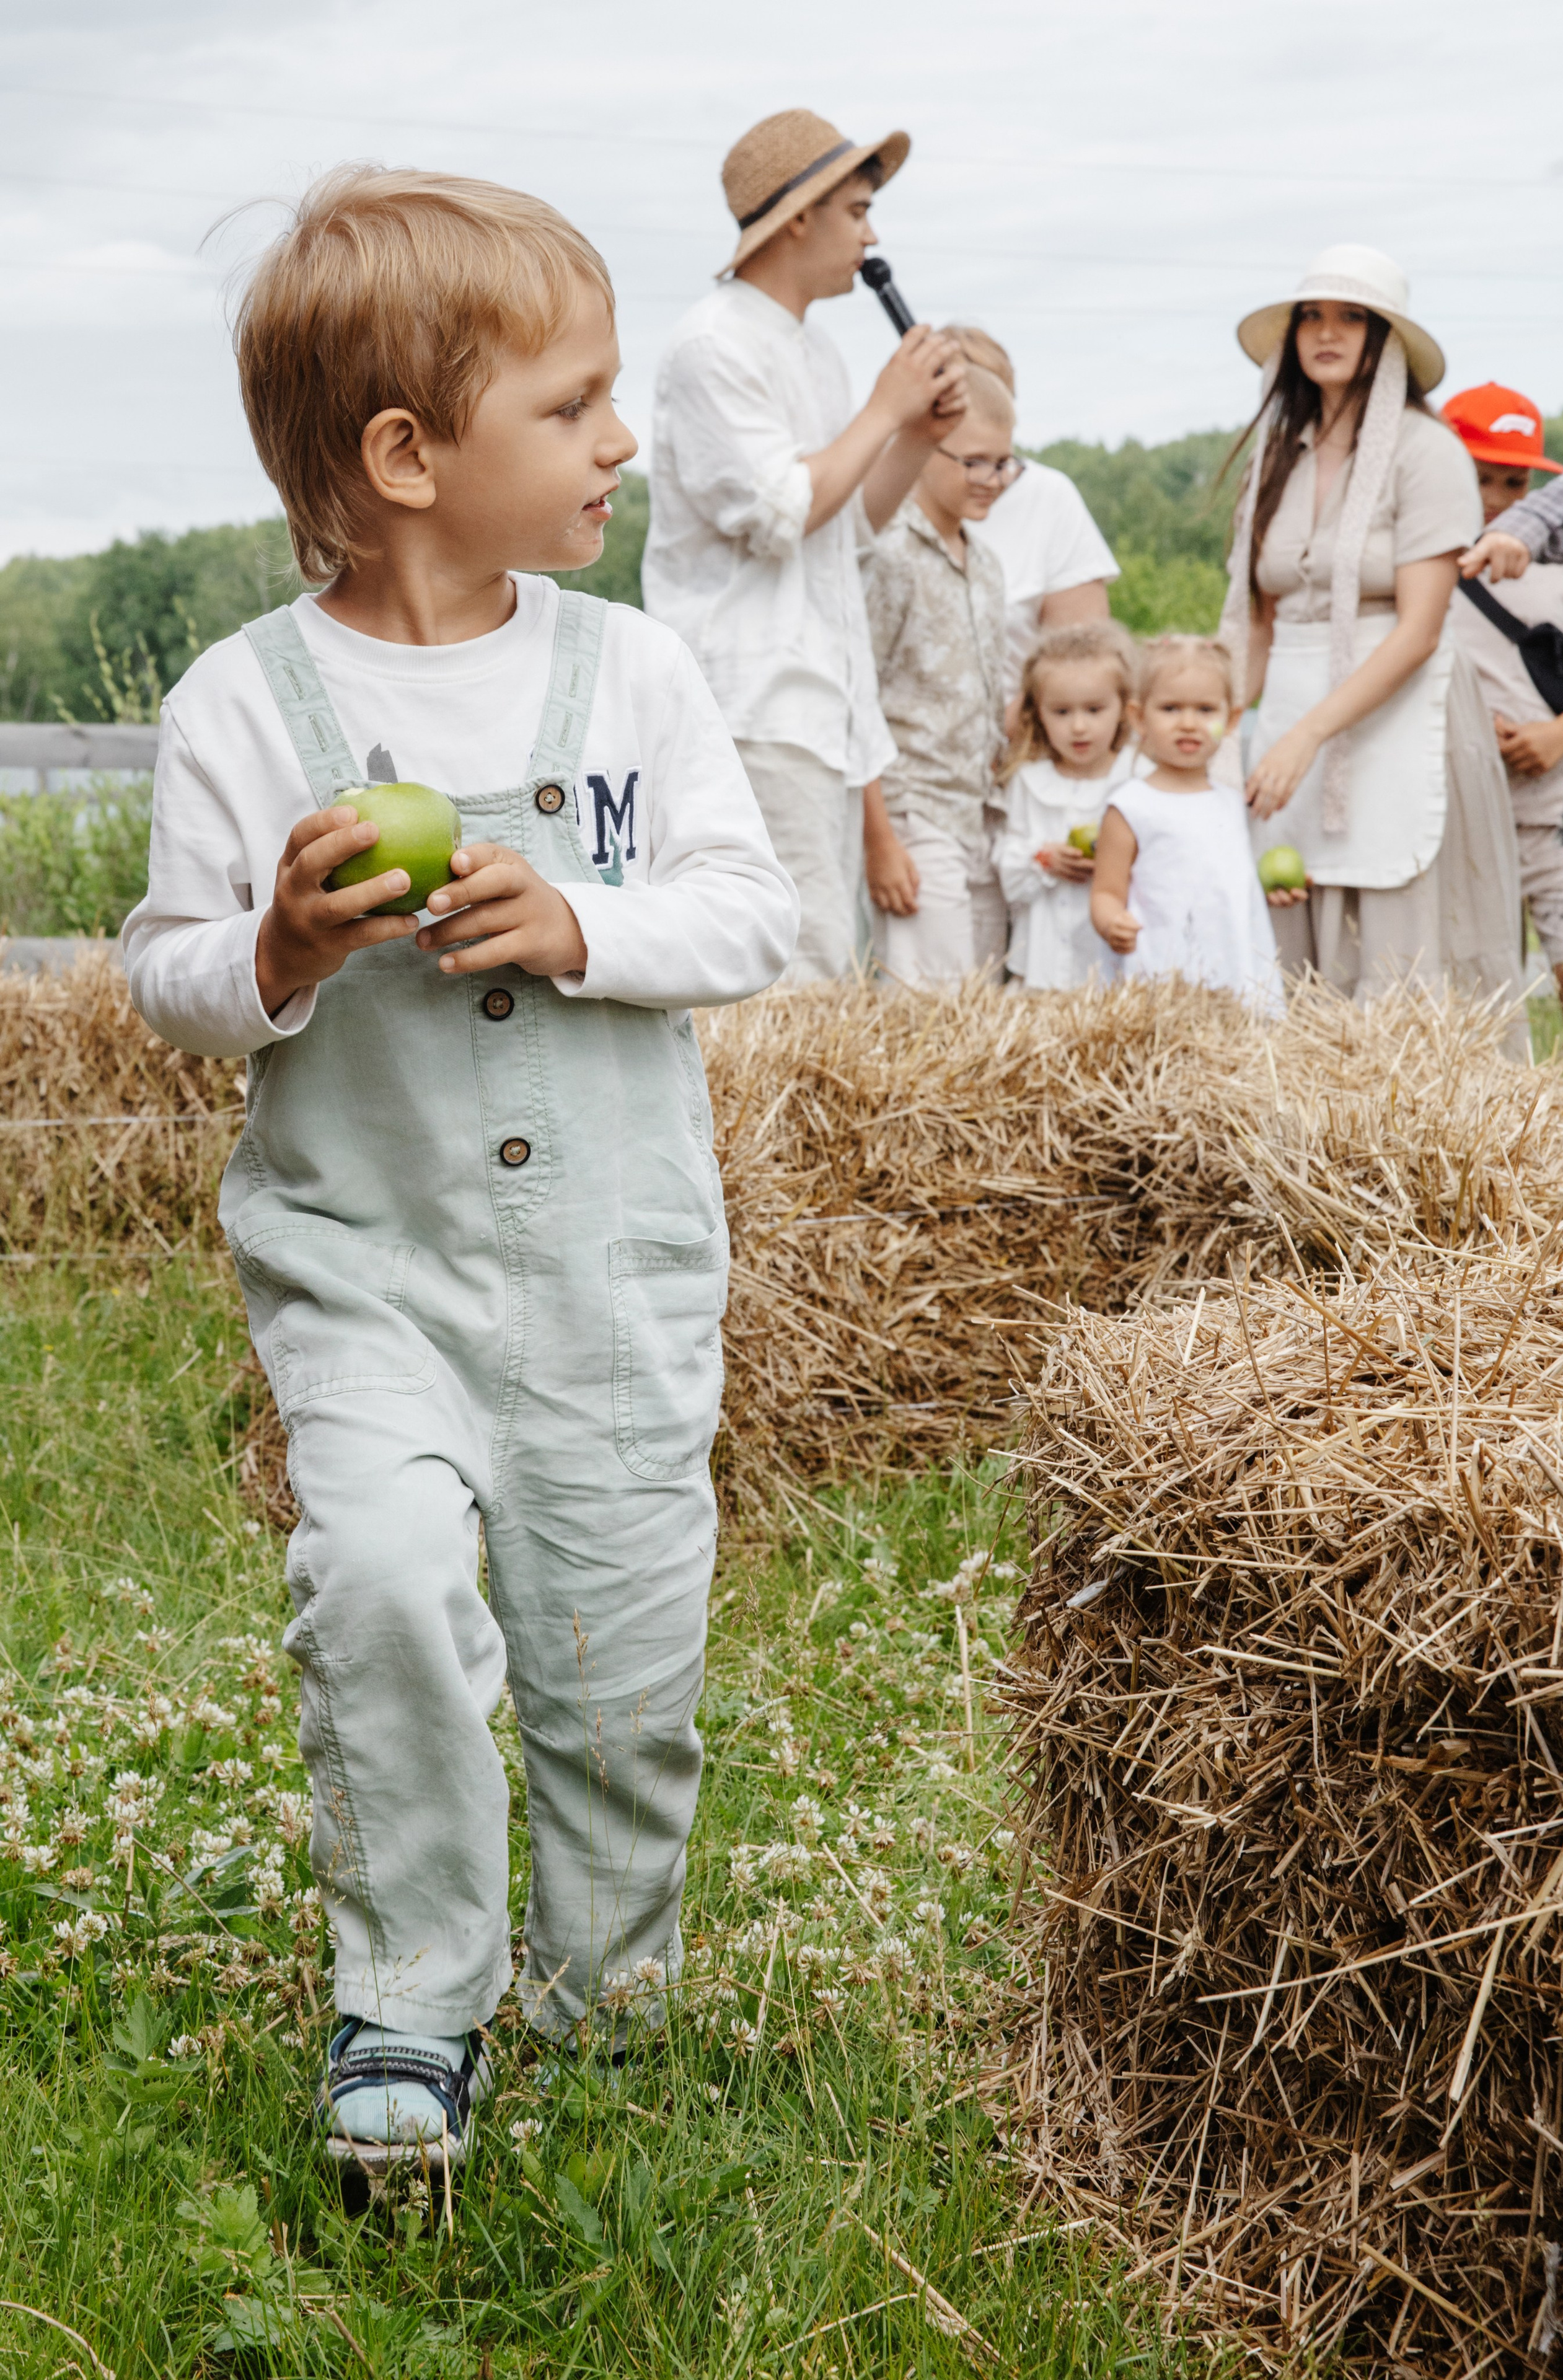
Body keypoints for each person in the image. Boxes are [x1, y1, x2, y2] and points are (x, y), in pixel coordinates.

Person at [121, 169, 798, 2170]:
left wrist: (586, 923)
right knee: (388, 1584)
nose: (621, 439)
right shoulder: (248, 704)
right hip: (373, 1272)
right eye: (576, 404)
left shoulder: (638, 679)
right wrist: (280, 950)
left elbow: (751, 912)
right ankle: (410, 2001)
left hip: (615, 1271)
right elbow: (163, 976)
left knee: (622, 1660)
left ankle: (607, 1996)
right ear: (409, 457)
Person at [643, 110, 967, 982]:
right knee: (792, 971)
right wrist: (884, 411)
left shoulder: (810, 349)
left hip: (818, 706)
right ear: (799, 217)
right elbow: (782, 512)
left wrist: (914, 436)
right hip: (753, 707)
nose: (872, 234)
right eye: (858, 210)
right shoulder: (716, 345)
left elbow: (845, 530)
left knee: (826, 953)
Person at [1218, 245, 1524, 1039]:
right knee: (1287, 922)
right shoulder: (1273, 458)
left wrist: (1307, 735)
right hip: (1287, 695)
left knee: (1399, 936)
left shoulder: (1426, 451)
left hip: (1396, 704)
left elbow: (1422, 629)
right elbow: (1254, 617)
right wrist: (1218, 734)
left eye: (1351, 317)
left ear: (1384, 339)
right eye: (1311, 317)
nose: (1326, 333)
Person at [1441, 384, 1563, 1049]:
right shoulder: (1422, 570)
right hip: (1461, 810)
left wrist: (1562, 731)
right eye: (1478, 478)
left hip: (1556, 810)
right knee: (1476, 991)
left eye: (1512, 479)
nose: (1496, 498)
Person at [860, 362, 1012, 986]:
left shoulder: (987, 564)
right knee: (928, 1017)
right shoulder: (887, 554)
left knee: (982, 1010)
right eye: (973, 461)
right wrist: (880, 843)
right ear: (925, 449)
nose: (992, 479)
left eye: (1004, 463)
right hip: (912, 815)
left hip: (980, 815)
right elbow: (855, 697)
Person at [1090, 633, 1283, 1015]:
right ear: (1139, 718)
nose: (1189, 724)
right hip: (1162, 976)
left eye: (1206, 710)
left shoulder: (1233, 803)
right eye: (1171, 709)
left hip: (1232, 972)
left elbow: (1229, 882)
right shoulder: (1131, 806)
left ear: (1231, 721)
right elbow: (1106, 891)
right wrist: (1112, 923)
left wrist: (1272, 888)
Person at [940, 325, 1119, 709]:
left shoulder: (1048, 497)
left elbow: (1081, 660)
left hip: (1021, 742)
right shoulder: (890, 496)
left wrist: (1005, 737)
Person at [994, 620, 1138, 990]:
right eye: (1061, 712)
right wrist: (1045, 859)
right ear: (1038, 713)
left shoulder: (1135, 778)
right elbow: (1007, 865)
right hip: (1041, 967)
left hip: (1111, 971)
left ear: (1124, 709)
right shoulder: (1029, 781)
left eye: (1094, 710)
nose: (1078, 727)